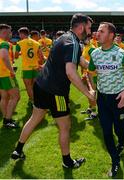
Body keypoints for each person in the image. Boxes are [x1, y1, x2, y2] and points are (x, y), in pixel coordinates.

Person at [11, 13, 95, 169]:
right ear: (82, 27)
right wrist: (88, 93)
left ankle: (18, 150)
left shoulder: (63, 38)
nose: (90, 32)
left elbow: (80, 61)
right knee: (65, 126)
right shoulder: (73, 43)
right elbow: (71, 72)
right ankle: (67, 162)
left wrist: (95, 66)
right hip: (56, 92)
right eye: (89, 28)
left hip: (40, 85)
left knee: (35, 118)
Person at [88, 22, 124, 177]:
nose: (97, 33)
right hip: (102, 99)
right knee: (107, 131)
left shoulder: (122, 54)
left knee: (120, 128)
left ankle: (121, 144)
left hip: (118, 98)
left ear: (111, 36)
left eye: (101, 31)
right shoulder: (94, 53)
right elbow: (89, 73)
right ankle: (115, 161)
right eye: (97, 31)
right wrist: (91, 88)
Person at [15, 27, 44, 102]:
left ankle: (33, 101)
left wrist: (21, 53)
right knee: (35, 85)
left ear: (21, 34)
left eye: (19, 34)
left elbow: (16, 56)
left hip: (26, 68)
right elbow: (41, 56)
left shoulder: (19, 43)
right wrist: (40, 64)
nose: (19, 36)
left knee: (28, 86)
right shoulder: (36, 43)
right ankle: (38, 99)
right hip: (36, 67)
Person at [0, 24, 20, 128]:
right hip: (6, 74)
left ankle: (5, 118)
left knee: (4, 97)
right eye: (10, 32)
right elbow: (3, 56)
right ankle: (7, 120)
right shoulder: (4, 43)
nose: (11, 34)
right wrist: (11, 70)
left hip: (0, 75)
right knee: (16, 96)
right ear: (4, 33)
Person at [80, 34, 97, 120]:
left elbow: (96, 61)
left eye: (86, 38)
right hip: (85, 73)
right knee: (88, 92)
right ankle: (90, 108)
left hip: (91, 74)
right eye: (84, 38)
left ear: (90, 38)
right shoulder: (85, 47)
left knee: (92, 92)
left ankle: (94, 112)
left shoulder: (92, 48)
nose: (84, 39)